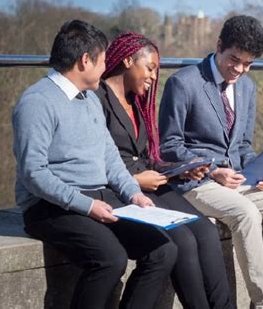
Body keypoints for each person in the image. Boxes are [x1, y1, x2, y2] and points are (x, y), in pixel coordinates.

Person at [12, 20, 177, 309]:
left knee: (163, 250)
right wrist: (87, 206)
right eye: (103, 60)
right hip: (49, 205)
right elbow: (33, 173)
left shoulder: (89, 99)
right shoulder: (37, 102)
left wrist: (132, 193)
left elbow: (109, 156)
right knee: (110, 259)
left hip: (99, 194)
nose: (106, 67)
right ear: (84, 60)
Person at [159, 15, 263, 309]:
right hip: (198, 182)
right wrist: (214, 171)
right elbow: (169, 146)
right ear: (219, 45)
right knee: (246, 214)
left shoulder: (247, 88)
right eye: (234, 60)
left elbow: (242, 145)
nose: (239, 70)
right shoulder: (183, 83)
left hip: (242, 179)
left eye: (248, 64)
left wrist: (262, 169)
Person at [95, 32, 234, 309]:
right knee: (182, 239)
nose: (153, 77)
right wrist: (134, 180)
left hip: (153, 180)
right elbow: (93, 161)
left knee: (205, 231)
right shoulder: (97, 100)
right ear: (126, 61)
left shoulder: (138, 103)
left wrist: (180, 170)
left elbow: (148, 156)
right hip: (121, 187)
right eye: (149, 68)